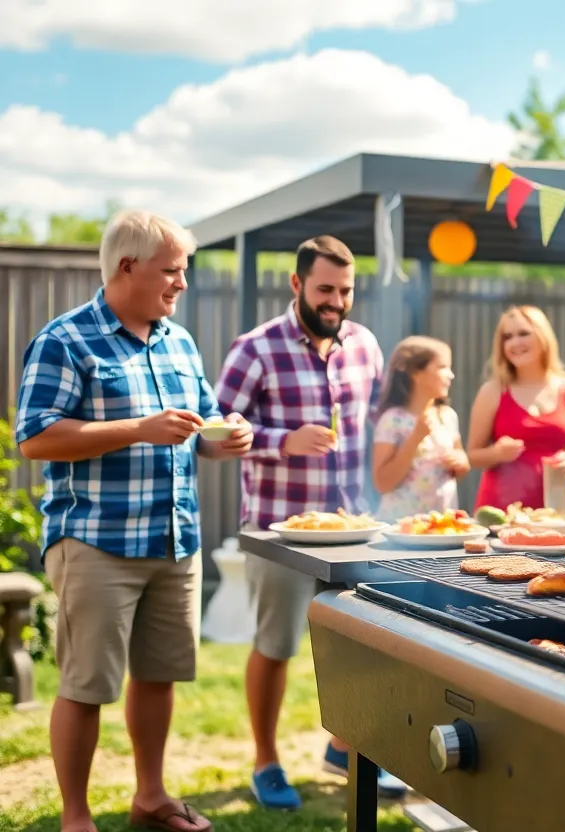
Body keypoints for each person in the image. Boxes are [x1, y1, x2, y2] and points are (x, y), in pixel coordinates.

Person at [15, 209, 254, 832]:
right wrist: (137, 430)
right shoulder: (65, 340)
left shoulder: (179, 341)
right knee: (85, 684)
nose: (182, 283)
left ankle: (150, 798)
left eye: (184, 271)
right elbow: (37, 439)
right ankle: (75, 817)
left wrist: (223, 438)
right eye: (172, 271)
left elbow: (201, 423)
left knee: (159, 675)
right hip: (95, 540)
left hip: (175, 538)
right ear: (128, 268)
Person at [211, 235, 404, 810]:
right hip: (279, 530)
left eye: (345, 291)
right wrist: (281, 440)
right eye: (325, 289)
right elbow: (217, 431)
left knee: (358, 643)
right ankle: (266, 763)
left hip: (352, 526)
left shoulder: (365, 344)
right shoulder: (255, 348)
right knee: (274, 646)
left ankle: (345, 748)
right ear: (296, 285)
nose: (336, 301)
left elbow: (376, 423)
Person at [466, 305, 565, 510]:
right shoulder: (492, 391)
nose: (515, 343)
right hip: (501, 513)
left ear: (544, 337)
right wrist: (497, 453)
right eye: (507, 337)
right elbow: (472, 456)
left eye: (523, 333)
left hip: (557, 511)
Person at [372, 336, 470, 521]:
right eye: (442, 367)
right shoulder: (392, 420)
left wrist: (461, 462)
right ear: (415, 372)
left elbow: (461, 465)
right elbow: (383, 483)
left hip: (441, 525)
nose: (451, 375)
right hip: (400, 531)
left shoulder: (447, 417)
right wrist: (416, 438)